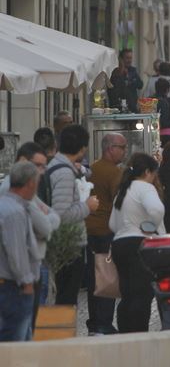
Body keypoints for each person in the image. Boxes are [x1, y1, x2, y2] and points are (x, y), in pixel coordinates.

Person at [109, 153, 164, 333]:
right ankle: (139, 334)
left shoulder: (123, 191)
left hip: (120, 245)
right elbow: (156, 209)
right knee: (142, 294)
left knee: (127, 294)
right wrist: (149, 227)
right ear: (147, 171)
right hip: (140, 245)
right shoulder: (145, 188)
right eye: (154, 173)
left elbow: (112, 224)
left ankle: (125, 333)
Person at [6, 145, 58, 332]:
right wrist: (26, 281)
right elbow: (45, 226)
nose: (41, 172)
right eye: (37, 166)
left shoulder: (28, 195)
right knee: (21, 330)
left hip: (28, 271)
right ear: (22, 161)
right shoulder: (15, 196)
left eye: (43, 167)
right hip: (19, 278)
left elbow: (54, 217)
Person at [47, 124, 100, 306]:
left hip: (63, 244)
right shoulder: (64, 173)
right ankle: (65, 334)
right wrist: (87, 206)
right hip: (67, 245)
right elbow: (61, 214)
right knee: (67, 298)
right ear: (83, 148)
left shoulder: (58, 165)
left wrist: (82, 170)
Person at [84, 133, 126, 335]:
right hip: (105, 231)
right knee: (107, 278)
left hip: (88, 229)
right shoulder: (114, 172)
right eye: (122, 147)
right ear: (110, 148)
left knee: (93, 278)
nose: (124, 151)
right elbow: (119, 202)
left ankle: (94, 323)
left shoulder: (91, 168)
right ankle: (104, 323)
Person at [0, 161, 42, 342]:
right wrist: (27, 282)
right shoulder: (15, 212)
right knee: (17, 343)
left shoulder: (6, 206)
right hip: (13, 286)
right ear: (31, 183)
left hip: (8, 284)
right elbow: (16, 252)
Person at [108, 48, 144, 113]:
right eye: (127, 58)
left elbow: (140, 85)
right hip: (118, 108)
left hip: (132, 105)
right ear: (121, 59)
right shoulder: (115, 73)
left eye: (130, 58)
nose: (129, 60)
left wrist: (130, 80)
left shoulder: (133, 70)